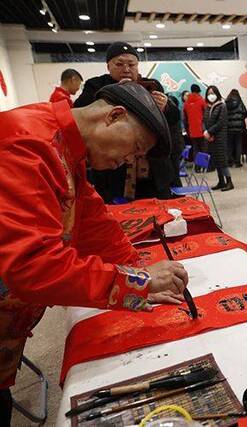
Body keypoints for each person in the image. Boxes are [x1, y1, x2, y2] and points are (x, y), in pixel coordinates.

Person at [0, 82, 190, 424]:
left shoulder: (62, 144)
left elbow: (93, 223)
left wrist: (140, 271)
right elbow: (33, 267)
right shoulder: (27, 143)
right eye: (135, 148)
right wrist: (138, 282)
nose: (128, 161)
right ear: (113, 116)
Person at [74, 42, 180, 202]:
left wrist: (165, 107)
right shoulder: (96, 85)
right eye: (119, 64)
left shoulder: (151, 85)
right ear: (108, 66)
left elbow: (172, 119)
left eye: (131, 64)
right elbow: (83, 114)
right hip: (114, 170)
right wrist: (117, 93)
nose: (126, 69)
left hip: (152, 169)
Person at [204, 85, 233, 191]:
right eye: (208, 93)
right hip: (211, 137)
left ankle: (229, 182)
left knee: (222, 160)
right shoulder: (208, 106)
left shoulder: (222, 105)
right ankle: (221, 181)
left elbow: (221, 122)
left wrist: (209, 132)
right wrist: (207, 133)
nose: (211, 95)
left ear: (217, 93)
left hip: (220, 137)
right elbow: (205, 120)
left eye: (212, 93)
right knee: (216, 160)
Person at [183, 84, 206, 171]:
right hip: (201, 129)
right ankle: (204, 166)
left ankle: (197, 168)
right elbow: (206, 115)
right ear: (199, 91)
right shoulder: (201, 101)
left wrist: (187, 129)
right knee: (203, 148)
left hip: (191, 130)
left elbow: (184, 118)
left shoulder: (186, 103)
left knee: (195, 149)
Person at [225, 89, 247, 167]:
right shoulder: (240, 102)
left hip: (229, 127)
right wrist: (240, 118)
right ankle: (238, 162)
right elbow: (245, 113)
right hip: (239, 127)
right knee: (238, 144)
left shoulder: (226, 102)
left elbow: (224, 114)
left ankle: (229, 161)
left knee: (229, 144)